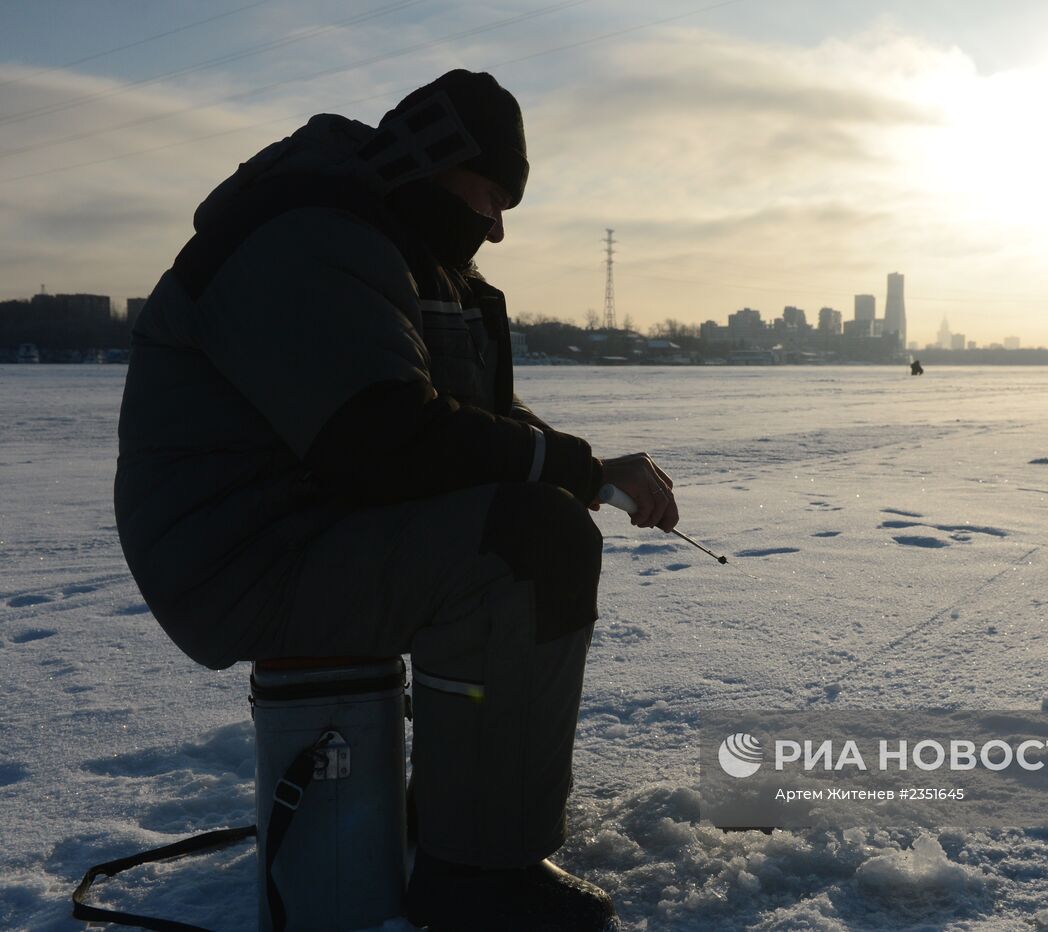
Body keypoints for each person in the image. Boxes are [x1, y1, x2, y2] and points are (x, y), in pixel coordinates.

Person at [114, 69, 676, 929]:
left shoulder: (403, 253)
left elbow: (466, 424)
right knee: (530, 545)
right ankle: (478, 880)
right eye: (491, 196)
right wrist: (561, 474)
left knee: (533, 520)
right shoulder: (307, 234)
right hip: (240, 557)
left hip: (313, 528)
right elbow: (381, 437)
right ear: (432, 158)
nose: (493, 226)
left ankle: (451, 815)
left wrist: (590, 469)